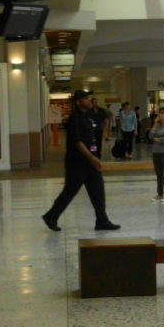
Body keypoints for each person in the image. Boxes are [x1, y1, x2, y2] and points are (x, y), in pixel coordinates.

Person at [42, 90, 120, 232]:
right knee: (69, 191)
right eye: (85, 98)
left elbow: (92, 137)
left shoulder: (88, 116)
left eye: (89, 98)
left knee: (98, 191)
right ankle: (51, 216)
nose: (89, 100)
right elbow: (78, 142)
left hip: (90, 162)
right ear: (78, 102)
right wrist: (92, 157)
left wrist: (95, 153)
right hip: (77, 163)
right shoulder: (75, 118)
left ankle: (102, 220)